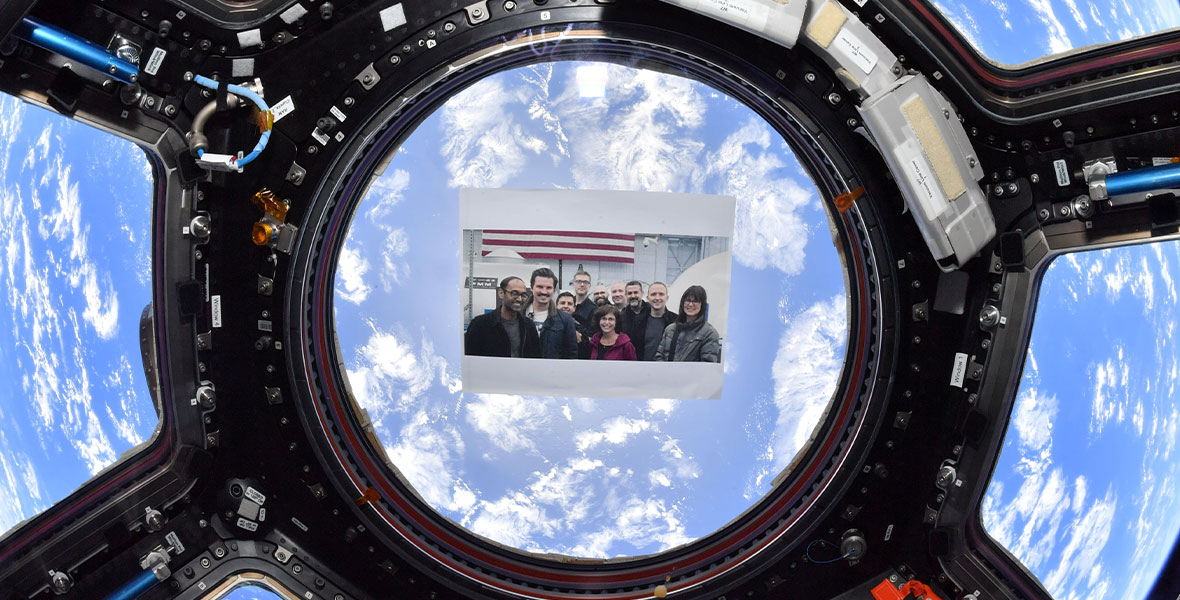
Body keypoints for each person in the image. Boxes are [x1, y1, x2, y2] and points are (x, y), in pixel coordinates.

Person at [464, 276, 540, 357]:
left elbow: (535, 357)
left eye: (523, 295)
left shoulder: (529, 326)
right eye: (514, 293)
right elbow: (470, 359)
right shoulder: (480, 324)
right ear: (501, 293)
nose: (519, 299)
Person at [654, 285, 720, 362]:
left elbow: (708, 366)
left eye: (695, 301)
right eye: (688, 300)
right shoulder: (670, 329)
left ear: (702, 305)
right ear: (683, 303)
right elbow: (659, 356)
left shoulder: (709, 333)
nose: (691, 304)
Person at [526, 267, 578, 359]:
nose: (544, 291)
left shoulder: (565, 320)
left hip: (552, 372)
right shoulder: (519, 315)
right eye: (540, 287)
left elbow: (571, 354)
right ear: (531, 288)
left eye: (549, 288)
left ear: (554, 290)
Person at [637, 281, 677, 361]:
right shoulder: (638, 321)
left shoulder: (676, 321)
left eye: (661, 294)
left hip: (667, 369)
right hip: (642, 369)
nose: (657, 298)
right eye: (653, 294)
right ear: (648, 298)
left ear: (667, 298)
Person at [557, 291, 591, 359]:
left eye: (569, 304)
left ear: (574, 308)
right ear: (556, 306)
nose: (565, 306)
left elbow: (586, 354)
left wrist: (580, 342)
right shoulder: (547, 324)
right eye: (562, 303)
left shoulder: (582, 330)